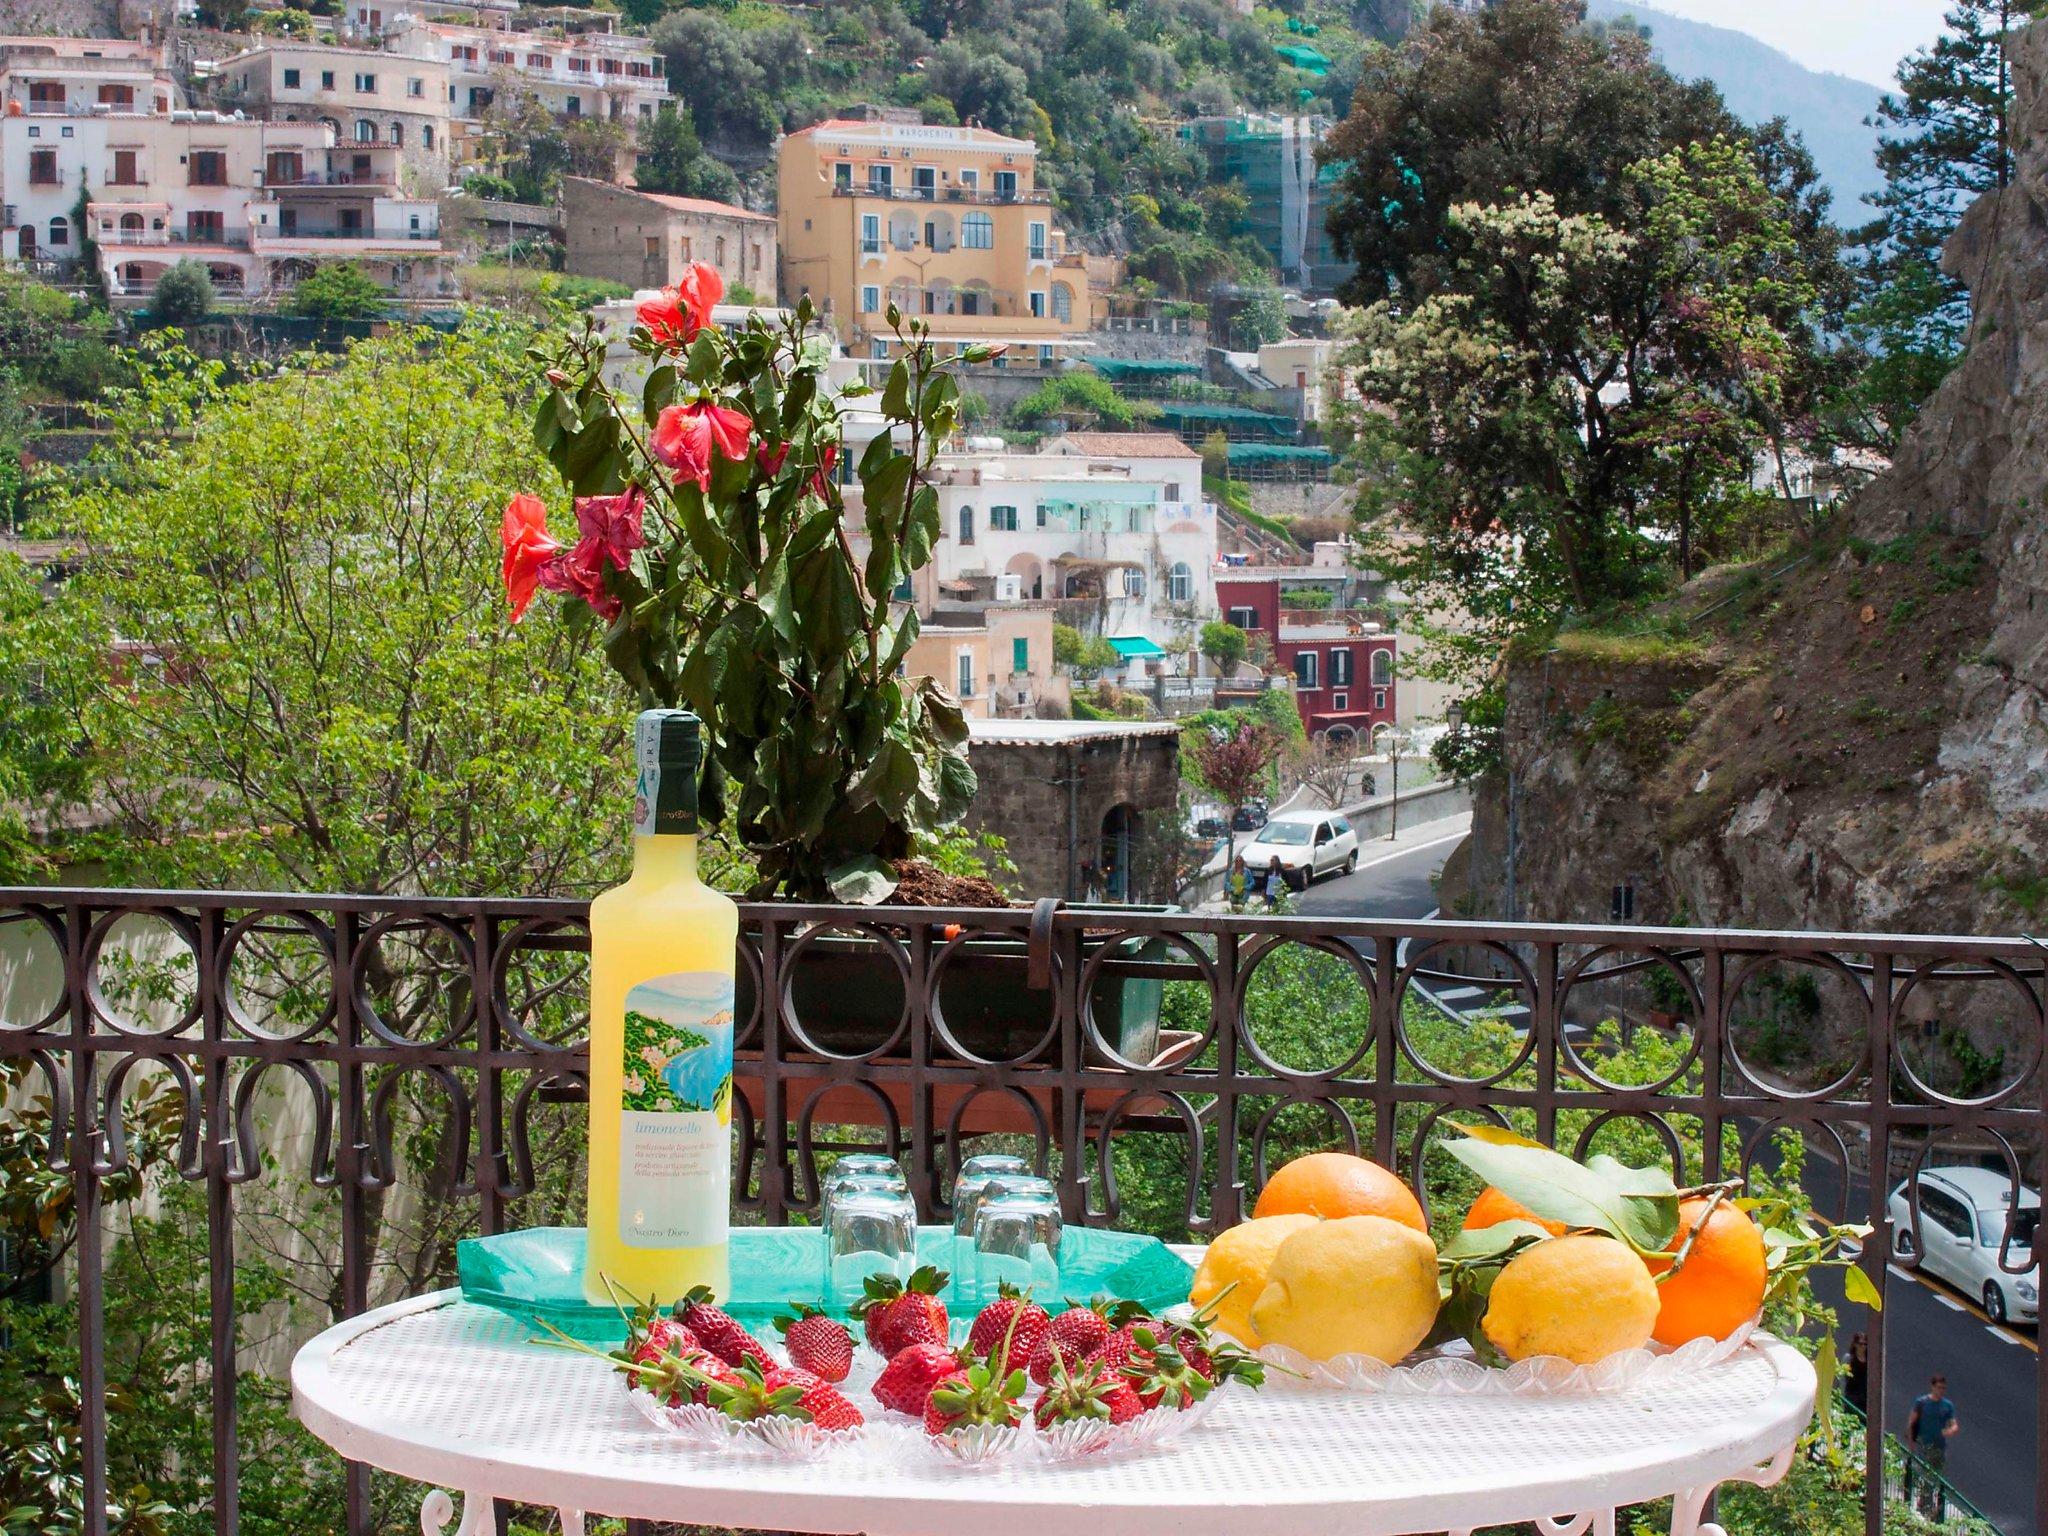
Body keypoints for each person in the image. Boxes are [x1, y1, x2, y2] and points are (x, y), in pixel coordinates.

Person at [1908, 1373, 1958, 1518]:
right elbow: (1912, 1422)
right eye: (1938, 1387)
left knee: (1937, 1477)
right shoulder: (1922, 1403)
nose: (1941, 1390)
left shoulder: (1947, 1406)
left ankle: (1926, 1504)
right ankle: (1927, 1507)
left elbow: (1954, 1425)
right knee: (1927, 1476)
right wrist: (1911, 1442)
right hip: (1924, 1445)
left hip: (1939, 1447)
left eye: (1943, 1388)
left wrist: (1948, 1431)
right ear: (1932, 1387)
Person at [1843, 1332, 1869, 1417]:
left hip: (1865, 1398)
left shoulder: (1869, 1360)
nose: (1863, 1347)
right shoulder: (1849, 1359)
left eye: (1865, 1344)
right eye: (1860, 1344)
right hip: (1852, 1396)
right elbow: (1843, 1379)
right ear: (1855, 1344)